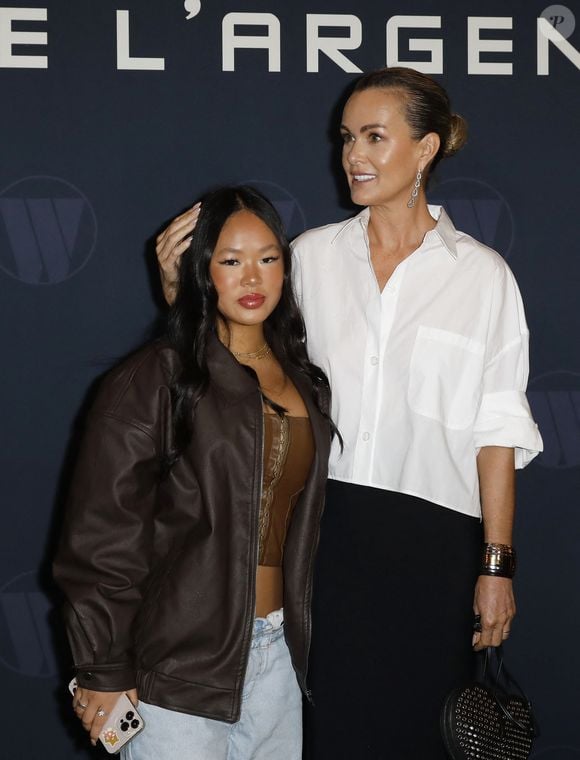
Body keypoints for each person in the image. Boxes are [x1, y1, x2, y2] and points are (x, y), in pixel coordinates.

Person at [155, 69, 543, 758]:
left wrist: (496, 566)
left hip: (433, 550)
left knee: (413, 735)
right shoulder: (309, 259)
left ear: (425, 150)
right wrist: (175, 295)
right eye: (346, 138)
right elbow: (234, 373)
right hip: (319, 540)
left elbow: (497, 435)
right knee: (326, 734)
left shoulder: (483, 277)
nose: (353, 156)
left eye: (373, 137)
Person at [53, 185, 334, 760]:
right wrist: (104, 667)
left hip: (281, 661)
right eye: (230, 261)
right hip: (174, 668)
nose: (251, 277)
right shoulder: (158, 378)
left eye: (267, 258)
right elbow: (102, 536)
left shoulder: (308, 381)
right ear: (202, 270)